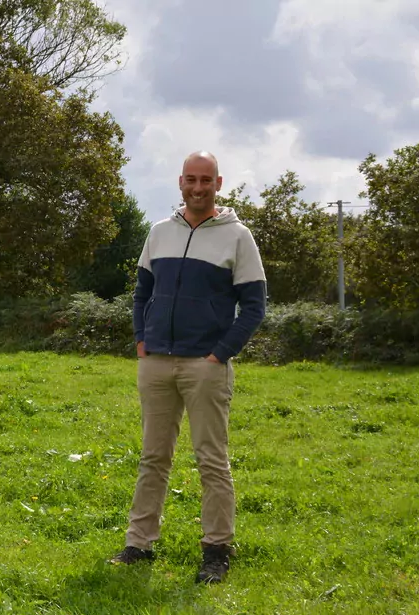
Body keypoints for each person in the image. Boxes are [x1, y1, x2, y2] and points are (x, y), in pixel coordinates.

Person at [109, 151, 266, 584]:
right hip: (156, 361)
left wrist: (220, 353)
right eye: (191, 180)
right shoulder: (159, 232)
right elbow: (142, 294)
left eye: (206, 180)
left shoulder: (238, 236)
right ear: (181, 182)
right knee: (152, 457)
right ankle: (138, 544)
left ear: (219, 183)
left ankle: (216, 551)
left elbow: (254, 307)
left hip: (205, 365)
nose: (198, 188)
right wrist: (142, 341)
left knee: (211, 460)